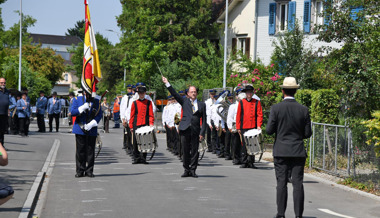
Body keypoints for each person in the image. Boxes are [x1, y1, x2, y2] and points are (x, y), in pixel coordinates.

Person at [266, 77, 312, 218]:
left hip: (281, 150)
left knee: (281, 183)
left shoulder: (276, 108)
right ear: (295, 91)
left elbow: (269, 130)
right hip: (297, 150)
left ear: (282, 91)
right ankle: (298, 215)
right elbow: (307, 133)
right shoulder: (303, 109)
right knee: (298, 183)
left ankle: (281, 214)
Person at [162, 76, 207, 178]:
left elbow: (204, 120)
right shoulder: (184, 101)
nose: (193, 93)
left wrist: (202, 133)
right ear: (188, 93)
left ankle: (193, 170)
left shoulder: (202, 105)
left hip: (195, 131)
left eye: (195, 92)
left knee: (195, 151)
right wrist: (167, 83)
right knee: (185, 150)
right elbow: (174, 94)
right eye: (191, 92)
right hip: (185, 129)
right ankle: (186, 170)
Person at [71, 92, 102, 178]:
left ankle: (89, 170)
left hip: (91, 129)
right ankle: (80, 170)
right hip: (80, 128)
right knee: (80, 151)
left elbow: (99, 114)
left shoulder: (96, 101)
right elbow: (73, 112)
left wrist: (92, 123)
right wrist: (82, 108)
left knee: (90, 151)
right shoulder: (77, 99)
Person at [236, 84, 263, 169]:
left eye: (250, 92)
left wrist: (259, 125)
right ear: (245, 93)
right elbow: (238, 115)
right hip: (244, 126)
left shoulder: (257, 102)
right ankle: (244, 162)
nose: (249, 94)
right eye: (248, 92)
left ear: (252, 93)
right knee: (244, 145)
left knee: (253, 145)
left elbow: (259, 115)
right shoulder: (241, 102)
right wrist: (238, 127)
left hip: (253, 126)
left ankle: (251, 162)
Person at [129, 83, 154, 164]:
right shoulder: (134, 102)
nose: (141, 95)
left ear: (145, 93)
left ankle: (143, 158)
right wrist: (131, 126)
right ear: (138, 94)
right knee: (136, 141)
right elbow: (132, 115)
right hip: (137, 123)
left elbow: (151, 114)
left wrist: (151, 124)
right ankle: (136, 158)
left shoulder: (149, 102)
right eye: (140, 93)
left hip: (145, 123)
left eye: (143, 93)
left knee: (144, 141)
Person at [227, 89, 244, 165]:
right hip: (235, 125)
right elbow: (229, 117)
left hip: (243, 125)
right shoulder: (233, 106)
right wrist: (229, 126)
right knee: (235, 143)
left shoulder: (244, 104)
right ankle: (236, 158)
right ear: (236, 96)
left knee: (243, 143)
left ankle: (243, 158)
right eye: (238, 95)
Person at [120, 85, 134, 151]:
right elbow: (122, 108)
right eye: (129, 89)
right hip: (125, 116)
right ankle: (125, 144)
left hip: (131, 116)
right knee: (126, 132)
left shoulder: (134, 97)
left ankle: (130, 146)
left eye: (131, 89)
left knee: (130, 132)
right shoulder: (124, 97)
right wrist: (122, 118)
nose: (130, 90)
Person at [0, 78, 11, 147]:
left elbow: (11, 102)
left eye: (4, 83)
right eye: (1, 83)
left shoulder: (7, 92)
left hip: (4, 114)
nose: (3, 84)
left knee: (2, 130)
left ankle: (2, 144)